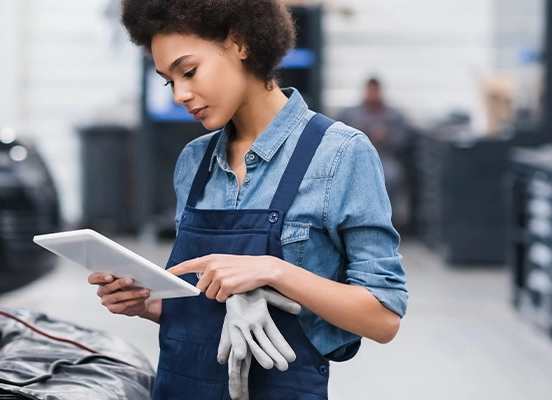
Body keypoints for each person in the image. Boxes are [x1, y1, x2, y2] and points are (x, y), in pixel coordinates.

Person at [89, 0, 408, 398]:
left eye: (189, 71)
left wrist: (275, 271)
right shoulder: (193, 162)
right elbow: (205, 314)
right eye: (170, 81)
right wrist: (149, 305)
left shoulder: (340, 154)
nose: (180, 95)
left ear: (240, 43)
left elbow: (383, 317)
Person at [337, 77, 410, 199]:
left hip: (384, 156)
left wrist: (386, 137)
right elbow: (336, 135)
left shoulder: (393, 115)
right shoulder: (349, 114)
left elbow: (403, 140)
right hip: (355, 156)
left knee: (390, 176)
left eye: (375, 91)